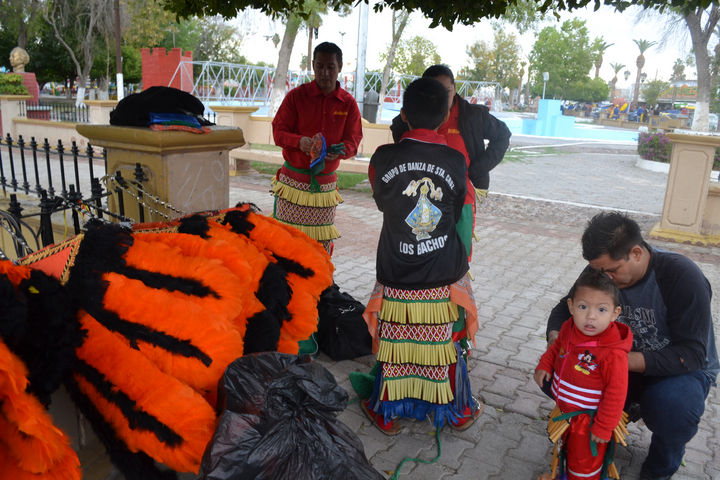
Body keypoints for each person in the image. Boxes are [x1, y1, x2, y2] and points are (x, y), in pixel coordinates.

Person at [546, 212, 718, 480]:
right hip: (617, 365)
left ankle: (660, 467)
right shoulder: (600, 269)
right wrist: (556, 343)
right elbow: (564, 309)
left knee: (674, 407)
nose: (606, 279)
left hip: (678, 372)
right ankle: (588, 445)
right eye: (599, 271)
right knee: (559, 377)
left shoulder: (682, 276)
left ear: (636, 253)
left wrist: (617, 361)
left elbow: (692, 355)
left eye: (612, 271)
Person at [361, 77, 481, 435]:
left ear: (404, 114)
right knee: (442, 345)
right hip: (441, 275)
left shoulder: (382, 158)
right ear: (445, 115)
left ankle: (386, 411)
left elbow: (383, 200)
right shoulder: (457, 161)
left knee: (396, 346)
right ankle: (455, 412)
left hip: (397, 273)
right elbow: (457, 206)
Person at [390, 65, 511, 261]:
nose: (441, 97)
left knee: (458, 258)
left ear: (454, 89)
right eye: (434, 91)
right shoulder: (410, 117)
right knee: (423, 256)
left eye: (446, 91)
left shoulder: (472, 115)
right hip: (422, 203)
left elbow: (503, 135)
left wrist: (476, 170)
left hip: (462, 200)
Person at [535, 269, 633, 480]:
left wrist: (604, 427)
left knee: (584, 467)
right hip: (567, 414)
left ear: (615, 313)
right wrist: (544, 364)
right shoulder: (570, 327)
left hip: (589, 423)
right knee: (565, 453)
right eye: (583, 307)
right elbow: (556, 347)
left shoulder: (613, 353)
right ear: (570, 306)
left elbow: (616, 392)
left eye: (601, 309)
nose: (591, 316)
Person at [271, 41, 362, 255]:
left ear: (339, 67)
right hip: (292, 183)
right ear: (313, 65)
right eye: (320, 66)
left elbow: (354, 142)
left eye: (330, 67)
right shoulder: (296, 97)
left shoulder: (348, 103)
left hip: (324, 189)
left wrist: (340, 150)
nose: (324, 72)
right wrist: (299, 142)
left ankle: (318, 286)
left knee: (319, 247)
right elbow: (278, 133)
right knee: (285, 244)